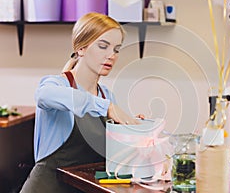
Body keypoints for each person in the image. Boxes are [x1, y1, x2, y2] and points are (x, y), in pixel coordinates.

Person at [20, 12, 143, 193]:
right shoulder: (55, 85)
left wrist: (134, 129)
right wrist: (105, 107)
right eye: (103, 46)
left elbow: (115, 155)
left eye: (116, 49)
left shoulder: (106, 95)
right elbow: (43, 96)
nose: (112, 55)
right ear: (81, 48)